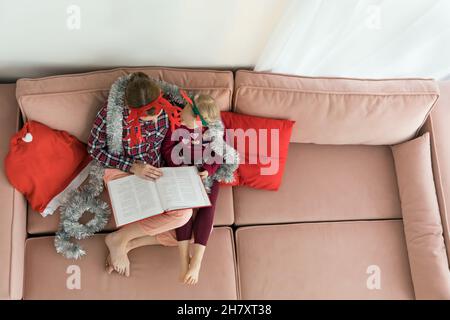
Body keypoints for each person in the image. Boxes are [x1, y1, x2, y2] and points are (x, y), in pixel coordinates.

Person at [87, 72, 191, 277]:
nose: (152, 119)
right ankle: (123, 240)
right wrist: (132, 166)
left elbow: (198, 121)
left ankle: (125, 242)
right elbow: (95, 150)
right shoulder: (111, 114)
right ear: (129, 107)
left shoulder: (170, 106)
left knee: (188, 226)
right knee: (176, 224)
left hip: (156, 173)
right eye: (146, 117)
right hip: (122, 172)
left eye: (156, 114)